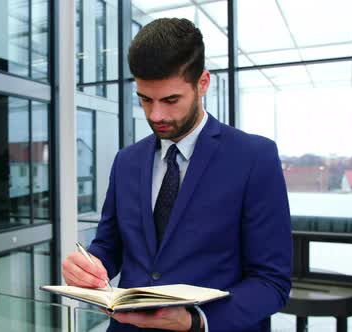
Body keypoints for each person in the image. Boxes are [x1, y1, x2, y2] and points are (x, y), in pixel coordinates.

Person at [63, 17, 292, 332]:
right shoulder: (126, 161)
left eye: (171, 100)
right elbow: (109, 245)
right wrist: (88, 265)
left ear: (203, 84)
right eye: (145, 99)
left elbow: (271, 282)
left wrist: (196, 320)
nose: (156, 115)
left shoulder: (254, 158)